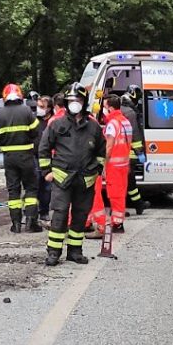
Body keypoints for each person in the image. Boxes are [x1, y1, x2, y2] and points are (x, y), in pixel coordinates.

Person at [38, 83, 105, 266]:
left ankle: (75, 252)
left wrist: (97, 170)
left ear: (84, 102)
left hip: (85, 179)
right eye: (71, 100)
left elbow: (101, 151)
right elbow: (44, 149)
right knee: (59, 216)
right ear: (66, 103)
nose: (75, 103)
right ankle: (53, 252)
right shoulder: (57, 124)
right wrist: (47, 172)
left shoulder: (93, 126)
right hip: (62, 178)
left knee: (80, 216)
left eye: (78, 100)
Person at [0, 84, 41, 233]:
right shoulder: (27, 111)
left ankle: (16, 224)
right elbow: (36, 131)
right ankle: (31, 222)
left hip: (9, 158)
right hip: (26, 156)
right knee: (31, 188)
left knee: (13, 190)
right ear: (20, 96)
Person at [87, 95, 131, 239]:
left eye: (105, 107)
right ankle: (118, 222)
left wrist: (102, 164)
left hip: (114, 164)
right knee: (121, 193)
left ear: (110, 108)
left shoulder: (112, 124)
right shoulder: (126, 121)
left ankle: (117, 223)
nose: (103, 110)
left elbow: (109, 146)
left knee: (114, 194)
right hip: (124, 163)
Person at [122, 86, 147, 215]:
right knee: (128, 180)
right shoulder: (130, 112)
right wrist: (139, 151)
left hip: (121, 151)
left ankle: (138, 204)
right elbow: (135, 133)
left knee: (129, 180)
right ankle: (137, 204)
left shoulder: (122, 108)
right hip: (128, 152)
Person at [34, 96, 55, 225]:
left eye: (42, 107)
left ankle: (44, 212)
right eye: (38, 106)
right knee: (34, 186)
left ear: (49, 109)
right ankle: (31, 212)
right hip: (35, 157)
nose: (39, 109)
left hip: (49, 158)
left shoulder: (53, 122)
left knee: (46, 187)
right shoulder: (35, 121)